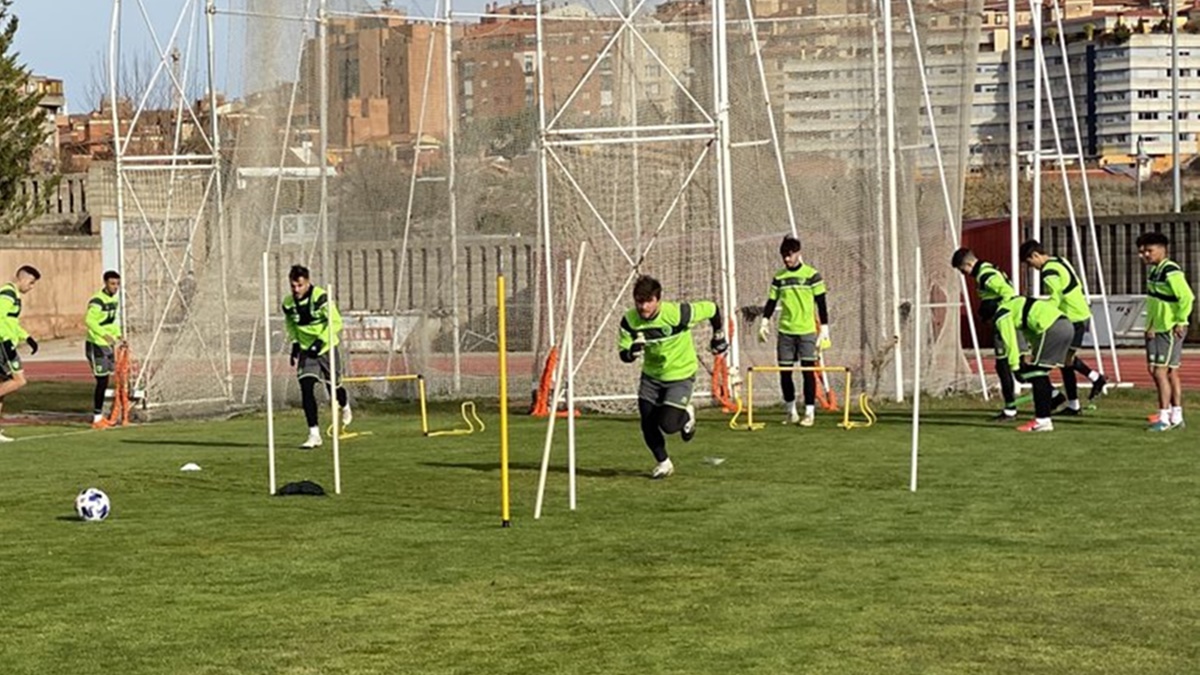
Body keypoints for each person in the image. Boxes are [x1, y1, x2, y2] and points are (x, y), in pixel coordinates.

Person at [617, 275, 727, 479]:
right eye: (639, 301)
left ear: (658, 300)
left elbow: (712, 308)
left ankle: (687, 415)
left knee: (668, 424)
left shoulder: (679, 314)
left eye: (648, 301)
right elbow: (623, 353)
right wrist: (632, 352)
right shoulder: (629, 321)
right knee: (647, 422)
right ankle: (664, 463)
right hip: (651, 377)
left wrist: (718, 334)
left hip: (680, 374)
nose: (643, 307)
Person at [1019, 240, 1108, 414]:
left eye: (1030, 263)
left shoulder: (1049, 271)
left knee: (1063, 361)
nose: (1033, 268)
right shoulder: (1060, 260)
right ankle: (1081, 396)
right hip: (1079, 312)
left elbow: (1056, 297)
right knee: (1065, 362)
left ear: (1036, 255)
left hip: (1072, 317)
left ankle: (1087, 386)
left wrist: (1041, 312)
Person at [757, 235, 829, 427]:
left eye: (789, 255)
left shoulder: (812, 275)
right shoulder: (779, 277)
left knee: (808, 372)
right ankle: (791, 412)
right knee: (785, 372)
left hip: (806, 331)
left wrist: (824, 328)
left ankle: (810, 413)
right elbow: (771, 302)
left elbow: (821, 303)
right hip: (785, 331)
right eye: (784, 256)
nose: (787, 259)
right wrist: (764, 321)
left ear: (798, 253)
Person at [952, 247, 1031, 421]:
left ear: (968, 264)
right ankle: (1050, 396)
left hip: (1006, 324)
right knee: (1013, 367)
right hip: (1005, 323)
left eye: (962, 269)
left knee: (1007, 368)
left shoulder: (986, 275)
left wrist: (994, 308)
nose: (963, 273)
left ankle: (1014, 409)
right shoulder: (987, 269)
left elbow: (1009, 294)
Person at [282, 265, 352, 448]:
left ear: (307, 282)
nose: (296, 290)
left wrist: (320, 342)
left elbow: (336, 322)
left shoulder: (320, 297)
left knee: (334, 390)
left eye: (300, 285)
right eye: (293, 286)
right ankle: (314, 434)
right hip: (307, 351)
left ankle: (344, 405)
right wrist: (296, 343)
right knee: (306, 387)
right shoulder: (288, 303)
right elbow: (290, 324)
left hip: (327, 347)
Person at [986, 294, 1075, 433]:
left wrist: (1015, 367)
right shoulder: (1014, 306)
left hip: (1052, 328)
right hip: (1066, 325)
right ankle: (1053, 399)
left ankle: (1042, 420)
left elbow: (1010, 342)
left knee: (1038, 373)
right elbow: (1033, 334)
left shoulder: (1001, 315)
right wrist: (1032, 355)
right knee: (1039, 371)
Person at [1137, 232, 1193, 431]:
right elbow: (1155, 302)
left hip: (1168, 328)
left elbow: (1187, 297)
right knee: (1168, 372)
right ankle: (1175, 415)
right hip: (1157, 327)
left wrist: (1180, 321)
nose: (1144, 255)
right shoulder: (1154, 271)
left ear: (1162, 249)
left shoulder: (1171, 270)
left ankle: (1164, 418)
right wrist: (1150, 324)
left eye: (1148, 251)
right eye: (1142, 252)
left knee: (1159, 371)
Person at [0, 266, 41, 442]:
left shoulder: (15, 296)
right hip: (3, 343)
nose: (31, 287)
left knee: (3, 387)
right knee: (19, 380)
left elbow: (11, 322)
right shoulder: (8, 294)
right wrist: (6, 340)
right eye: (31, 283)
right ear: (22, 278)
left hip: (7, 341)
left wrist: (27, 337)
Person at [85, 271, 123, 429]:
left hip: (108, 346)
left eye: (117, 284)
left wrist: (118, 336)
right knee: (102, 381)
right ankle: (97, 418)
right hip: (96, 345)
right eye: (112, 284)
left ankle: (108, 415)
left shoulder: (113, 300)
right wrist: (104, 335)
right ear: (105, 283)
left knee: (114, 377)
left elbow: (111, 322)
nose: (115, 287)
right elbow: (89, 321)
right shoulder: (97, 301)